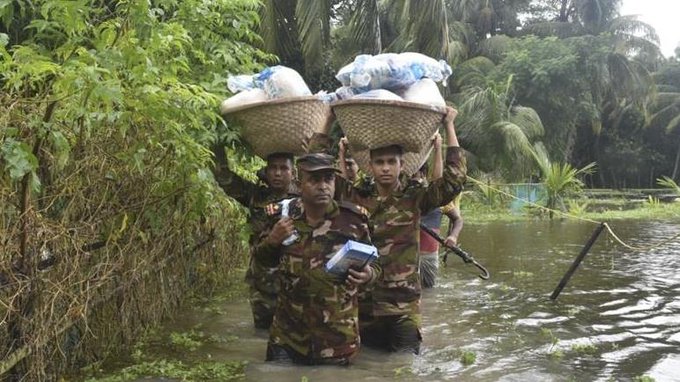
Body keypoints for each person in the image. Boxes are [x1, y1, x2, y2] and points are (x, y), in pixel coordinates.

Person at [338, 107, 467, 354]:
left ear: (401, 165)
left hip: (403, 307)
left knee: (405, 367)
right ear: (371, 166)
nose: (385, 168)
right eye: (379, 162)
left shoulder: (415, 197)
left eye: (391, 162)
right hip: (365, 306)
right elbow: (325, 180)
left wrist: (449, 126)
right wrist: (332, 131)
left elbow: (453, 181)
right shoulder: (358, 197)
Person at [255, 153, 382, 365]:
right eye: (314, 180)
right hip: (288, 339)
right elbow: (262, 261)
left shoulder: (353, 220)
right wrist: (273, 240)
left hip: (337, 341)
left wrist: (368, 275)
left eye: (328, 179)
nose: (323, 186)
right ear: (299, 183)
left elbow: (376, 264)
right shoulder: (282, 217)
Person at [211, 143, 297, 329]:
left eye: (284, 168)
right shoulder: (255, 195)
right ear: (265, 171)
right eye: (273, 168)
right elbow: (225, 179)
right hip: (263, 281)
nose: (277, 173)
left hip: (296, 281)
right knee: (263, 331)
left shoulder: (305, 198)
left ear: (293, 173)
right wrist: (217, 143)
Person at [415, 134, 465, 288]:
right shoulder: (403, 196)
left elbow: (458, 219)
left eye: (417, 174)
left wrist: (453, 237)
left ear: (423, 175)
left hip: (428, 255)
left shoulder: (436, 198)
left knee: (428, 291)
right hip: (406, 256)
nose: (414, 178)